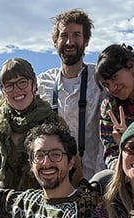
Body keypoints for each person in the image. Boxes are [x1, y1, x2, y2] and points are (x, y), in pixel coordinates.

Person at [0, 58, 58, 201]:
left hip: (44, 209)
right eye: (9, 85)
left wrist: (31, 203)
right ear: (3, 91)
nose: (16, 90)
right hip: (0, 210)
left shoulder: (55, 124)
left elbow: (72, 176)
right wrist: (5, 198)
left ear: (34, 85)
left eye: (22, 82)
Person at [36, 9, 105, 177]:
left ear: (86, 40)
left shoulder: (100, 80)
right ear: (55, 41)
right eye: (64, 35)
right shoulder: (41, 84)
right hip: (53, 180)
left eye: (76, 35)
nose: (69, 42)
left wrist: (99, 180)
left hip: (93, 179)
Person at [96, 43, 134, 173]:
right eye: (106, 84)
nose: (112, 88)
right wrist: (121, 168)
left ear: (131, 66)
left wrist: (131, 140)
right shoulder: (109, 107)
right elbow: (110, 151)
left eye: (114, 77)